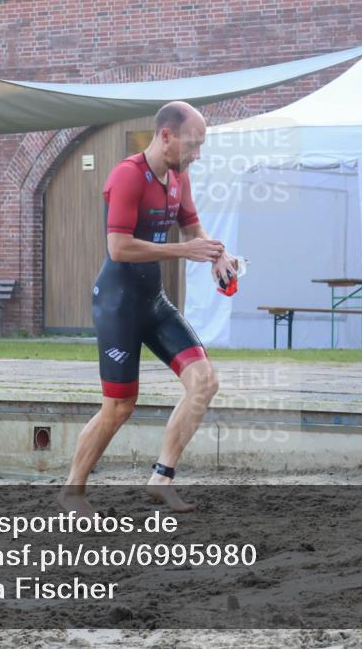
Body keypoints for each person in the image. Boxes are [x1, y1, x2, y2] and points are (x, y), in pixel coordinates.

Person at [58, 101, 238, 516]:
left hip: (153, 302)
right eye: (193, 144)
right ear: (167, 136)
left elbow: (193, 228)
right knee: (119, 407)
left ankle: (161, 478)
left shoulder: (179, 178)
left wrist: (217, 255)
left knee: (204, 382)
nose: (197, 154)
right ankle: (72, 492)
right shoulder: (128, 175)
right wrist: (184, 250)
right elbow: (118, 248)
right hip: (118, 304)